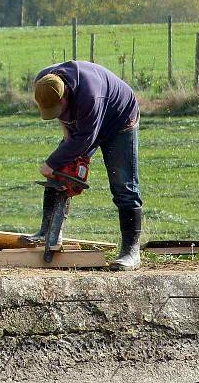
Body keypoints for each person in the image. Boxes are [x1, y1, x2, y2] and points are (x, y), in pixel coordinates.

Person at [29, 60, 142, 271]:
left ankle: (131, 252)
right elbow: (66, 121)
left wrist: (51, 163)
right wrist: (60, 165)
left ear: (64, 98)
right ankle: (49, 232)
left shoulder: (90, 95)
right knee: (62, 170)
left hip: (119, 120)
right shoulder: (44, 82)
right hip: (86, 121)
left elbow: (85, 139)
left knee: (123, 185)